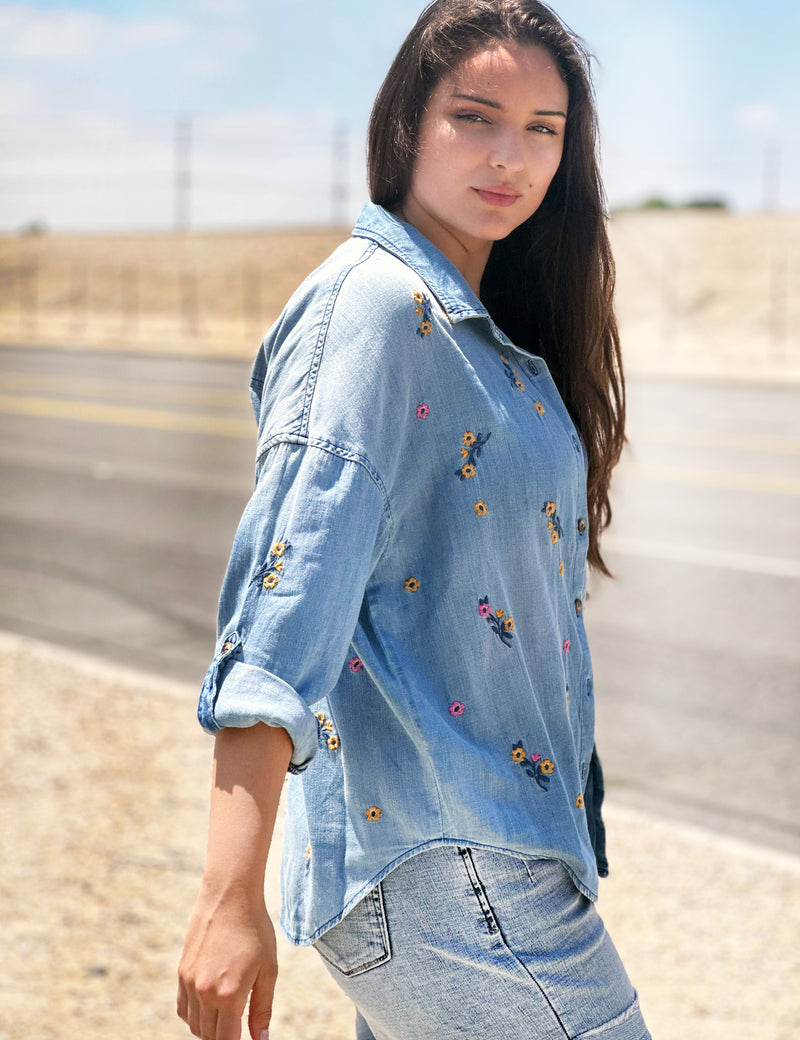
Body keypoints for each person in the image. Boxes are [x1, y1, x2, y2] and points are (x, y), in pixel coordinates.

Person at [177, 1, 651, 1038]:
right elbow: (281, 609)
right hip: (445, 860)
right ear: (406, 124)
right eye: (474, 117)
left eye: (542, 129)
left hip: (503, 846)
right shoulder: (377, 309)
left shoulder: (479, 327)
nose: (509, 156)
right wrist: (226, 893)